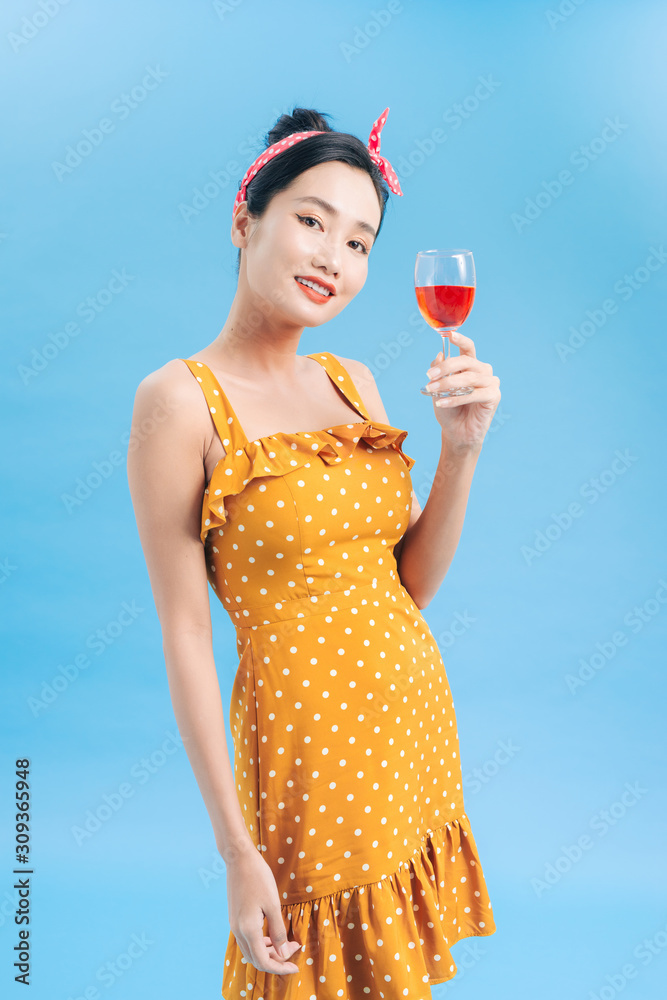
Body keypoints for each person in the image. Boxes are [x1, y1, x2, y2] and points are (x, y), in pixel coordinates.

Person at [127, 105, 501, 999]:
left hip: (408, 729)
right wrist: (234, 848)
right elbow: (185, 636)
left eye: (361, 242)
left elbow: (408, 584)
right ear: (244, 220)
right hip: (305, 753)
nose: (335, 258)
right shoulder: (177, 402)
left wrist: (461, 447)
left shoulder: (352, 382)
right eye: (311, 221)